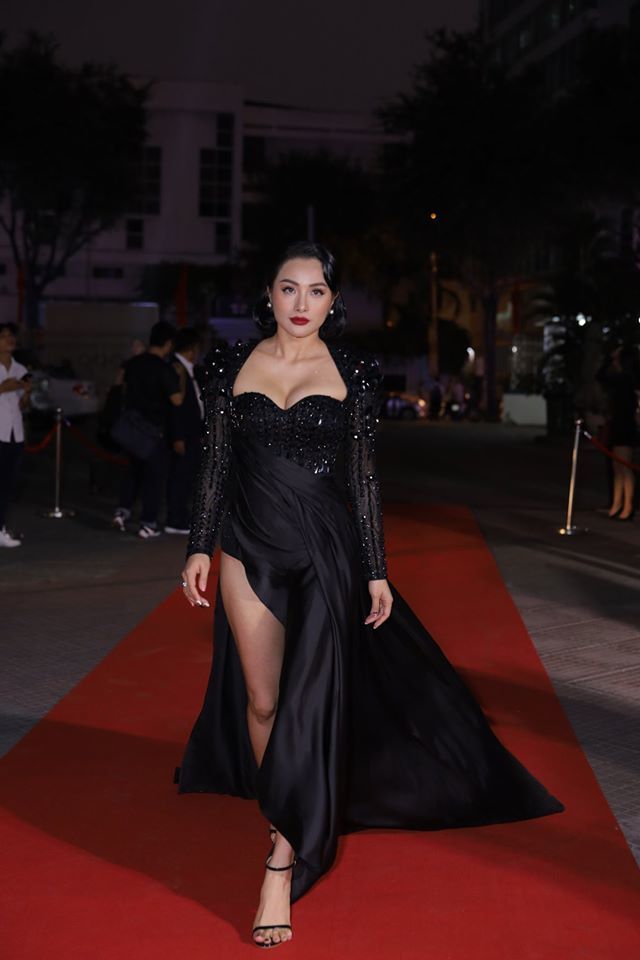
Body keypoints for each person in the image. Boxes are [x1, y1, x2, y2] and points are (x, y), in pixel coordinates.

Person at [177, 242, 563, 949]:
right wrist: (199, 545)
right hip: (248, 546)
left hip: (327, 554)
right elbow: (216, 463)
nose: (301, 304)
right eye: (288, 289)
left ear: (332, 300)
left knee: (309, 697)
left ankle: (281, 856)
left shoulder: (351, 369)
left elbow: (362, 477)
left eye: (316, 291)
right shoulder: (230, 365)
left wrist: (376, 568)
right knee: (262, 701)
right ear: (269, 294)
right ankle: (280, 807)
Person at [112, 321, 186, 538]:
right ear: (168, 343)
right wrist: (181, 377)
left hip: (132, 427)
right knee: (154, 478)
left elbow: (121, 386)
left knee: (132, 472)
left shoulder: (134, 363)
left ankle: (122, 512)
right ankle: (148, 523)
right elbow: (177, 400)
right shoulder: (164, 368)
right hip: (153, 431)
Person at [165, 327, 205, 535]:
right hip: (184, 434)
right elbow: (175, 408)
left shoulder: (191, 369)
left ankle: (181, 516)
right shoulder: (175, 368)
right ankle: (175, 518)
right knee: (181, 476)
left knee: (188, 476)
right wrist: (178, 436)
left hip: (193, 432)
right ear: (192, 348)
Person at [597, 345, 640, 522]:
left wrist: (609, 357)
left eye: (617, 359)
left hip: (625, 426)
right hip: (618, 425)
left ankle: (627, 506)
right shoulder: (623, 380)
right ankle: (617, 503)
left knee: (624, 466)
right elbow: (601, 377)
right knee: (617, 467)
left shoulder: (626, 381)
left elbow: (601, 376)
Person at [0, 321, 31, 548]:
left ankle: (1, 528)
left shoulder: (20, 369)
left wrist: (26, 392)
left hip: (15, 433)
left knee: (8, 484)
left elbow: (22, 404)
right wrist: (4, 387)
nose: (10, 340)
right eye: (4, 336)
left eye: (12, 336)